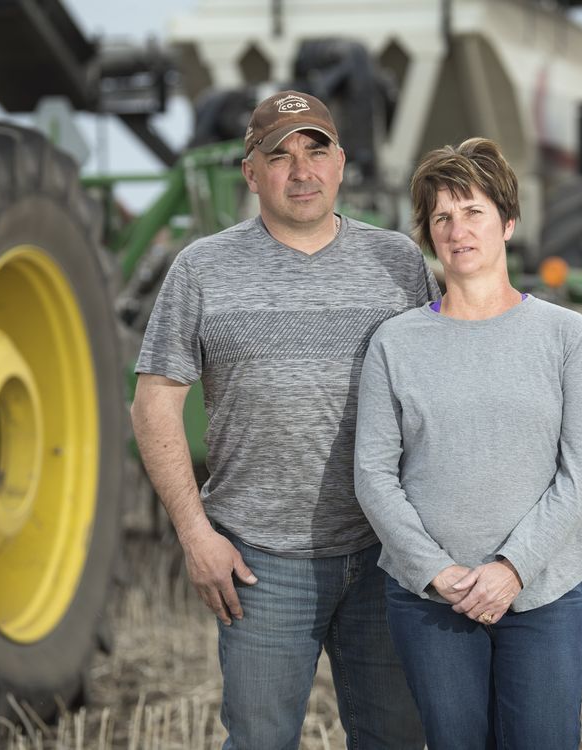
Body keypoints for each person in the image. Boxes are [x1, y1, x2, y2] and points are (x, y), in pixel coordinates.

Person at [130, 90, 436, 749]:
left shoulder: (399, 264)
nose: (301, 171)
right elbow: (154, 400)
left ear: (342, 164)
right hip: (259, 565)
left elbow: (439, 394)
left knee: (398, 739)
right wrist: (194, 535)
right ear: (250, 173)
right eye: (281, 157)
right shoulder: (203, 269)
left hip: (385, 556)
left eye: (315, 152)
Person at [353, 137, 582, 750]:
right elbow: (374, 475)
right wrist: (437, 572)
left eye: (472, 212)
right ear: (428, 234)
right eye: (441, 216)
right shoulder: (396, 342)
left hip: (542, 593)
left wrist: (512, 568)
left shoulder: (566, 336)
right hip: (431, 600)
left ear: (508, 222)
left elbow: (581, 474)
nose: (456, 229)